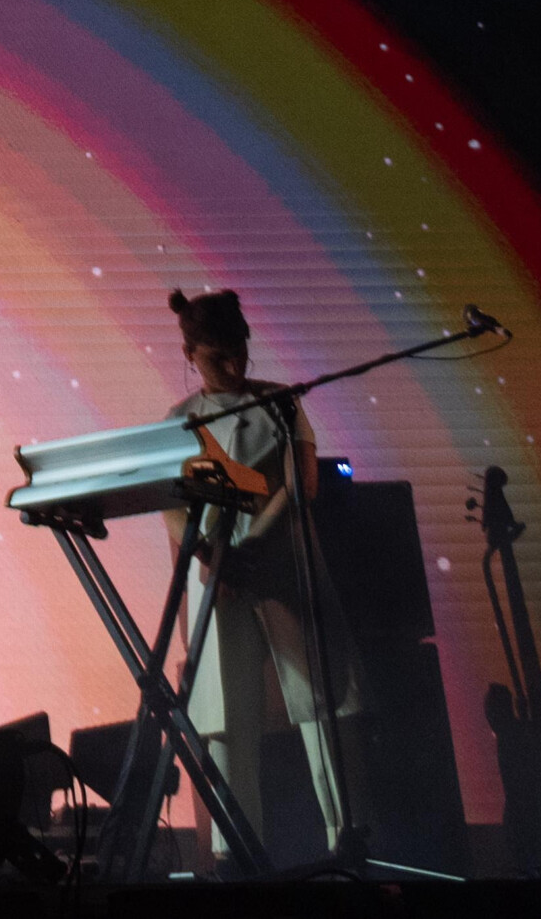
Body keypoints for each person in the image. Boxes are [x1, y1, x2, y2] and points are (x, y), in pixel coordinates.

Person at [162, 288, 365, 864]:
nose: (234, 366)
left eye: (240, 351)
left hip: (282, 564)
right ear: (190, 352)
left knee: (321, 697)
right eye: (217, 356)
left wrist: (249, 544)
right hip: (218, 577)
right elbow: (169, 503)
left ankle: (347, 836)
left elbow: (302, 482)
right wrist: (210, 554)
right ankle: (235, 851)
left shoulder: (280, 402)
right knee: (226, 714)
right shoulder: (178, 421)